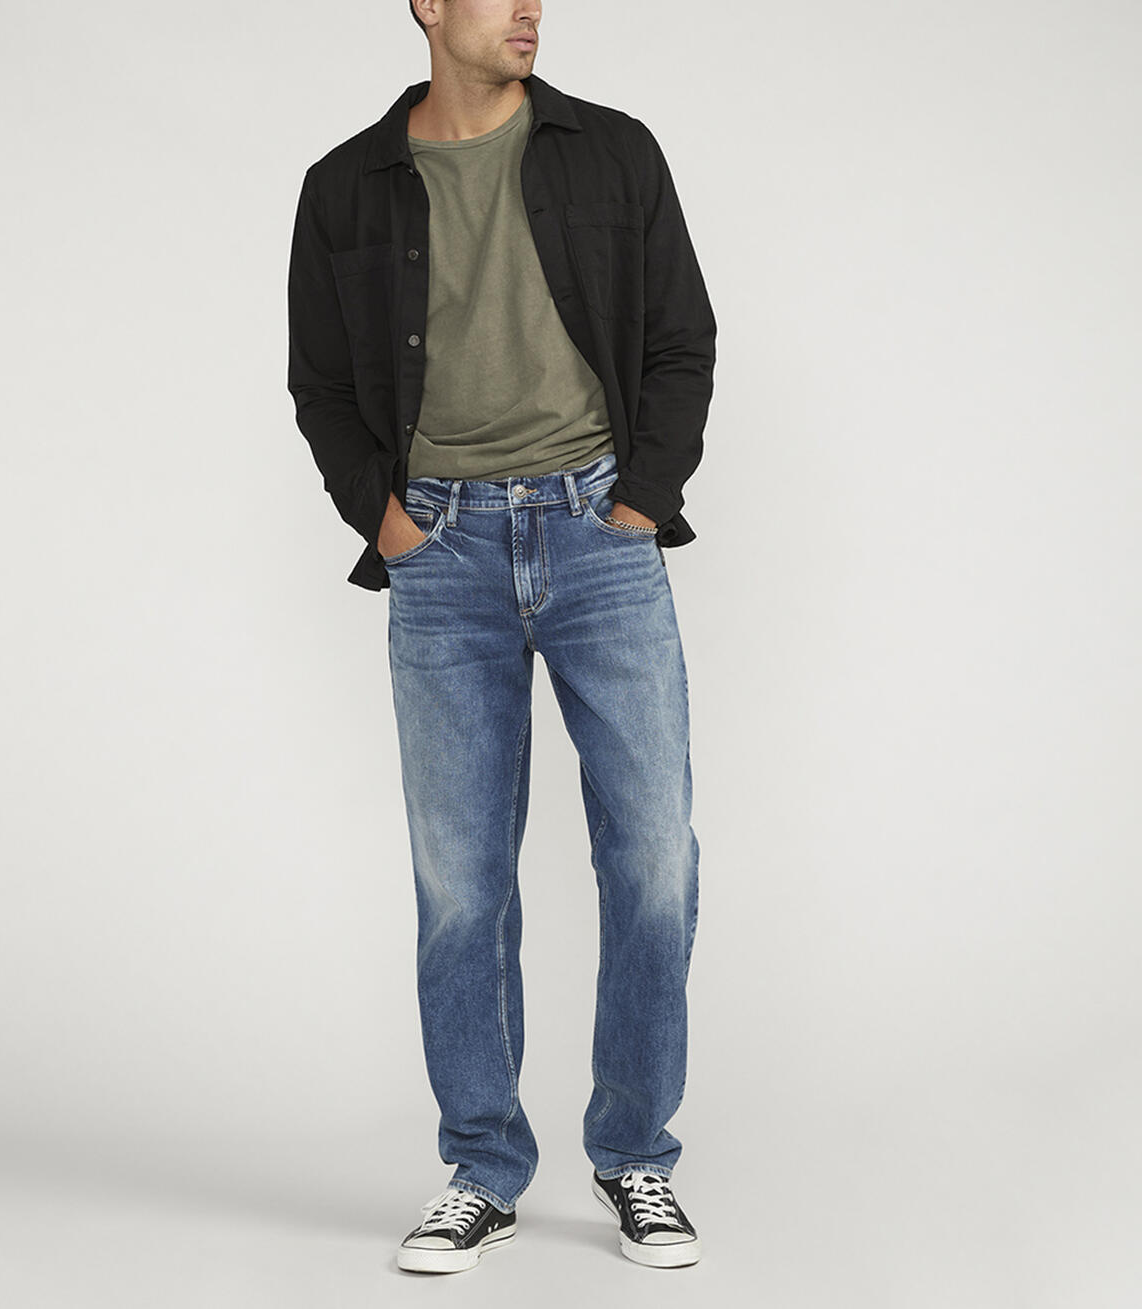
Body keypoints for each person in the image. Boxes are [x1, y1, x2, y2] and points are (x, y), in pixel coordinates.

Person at [286, 0, 715, 1274]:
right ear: (427, 4)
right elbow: (321, 385)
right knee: (462, 884)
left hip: (599, 536)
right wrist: (388, 522)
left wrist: (641, 497)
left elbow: (681, 342)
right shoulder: (345, 187)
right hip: (443, 555)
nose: (530, 6)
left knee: (654, 862)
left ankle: (634, 1152)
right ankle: (482, 1166)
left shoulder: (614, 151)